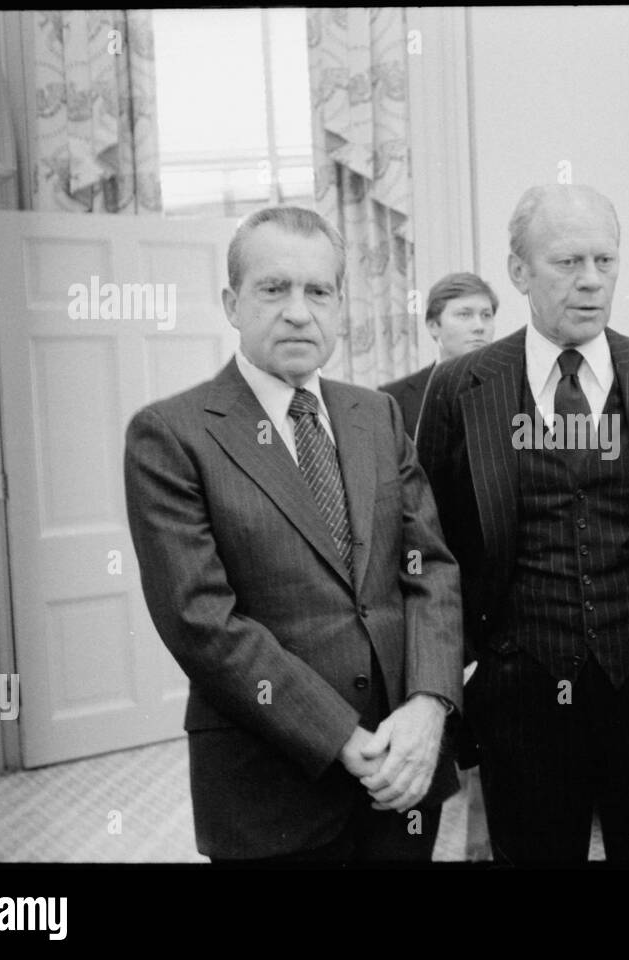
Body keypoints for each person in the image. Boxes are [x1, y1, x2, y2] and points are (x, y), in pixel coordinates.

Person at [124, 206, 463, 862]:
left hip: (401, 780)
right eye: (273, 288)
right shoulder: (172, 435)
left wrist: (429, 704)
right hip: (269, 796)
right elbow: (201, 622)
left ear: (340, 307)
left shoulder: (376, 415)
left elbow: (432, 569)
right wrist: (339, 735)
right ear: (232, 302)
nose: (299, 311)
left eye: (319, 291)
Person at [416, 184, 629, 863]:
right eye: (567, 262)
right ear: (519, 272)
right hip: (517, 696)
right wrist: (469, 668)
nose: (591, 281)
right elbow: (429, 541)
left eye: (605, 260)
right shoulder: (461, 388)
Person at [380, 272, 498, 437]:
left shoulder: (514, 389)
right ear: (433, 326)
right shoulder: (394, 399)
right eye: (464, 314)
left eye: (486, 315)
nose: (479, 326)